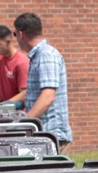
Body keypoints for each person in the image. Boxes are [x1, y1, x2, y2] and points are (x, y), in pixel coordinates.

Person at [13, 12, 72, 153]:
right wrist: (9, 105)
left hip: (52, 137)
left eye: (14, 34)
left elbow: (47, 97)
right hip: (45, 136)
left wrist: (25, 123)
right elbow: (34, 93)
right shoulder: (38, 56)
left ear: (21, 34)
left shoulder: (46, 56)